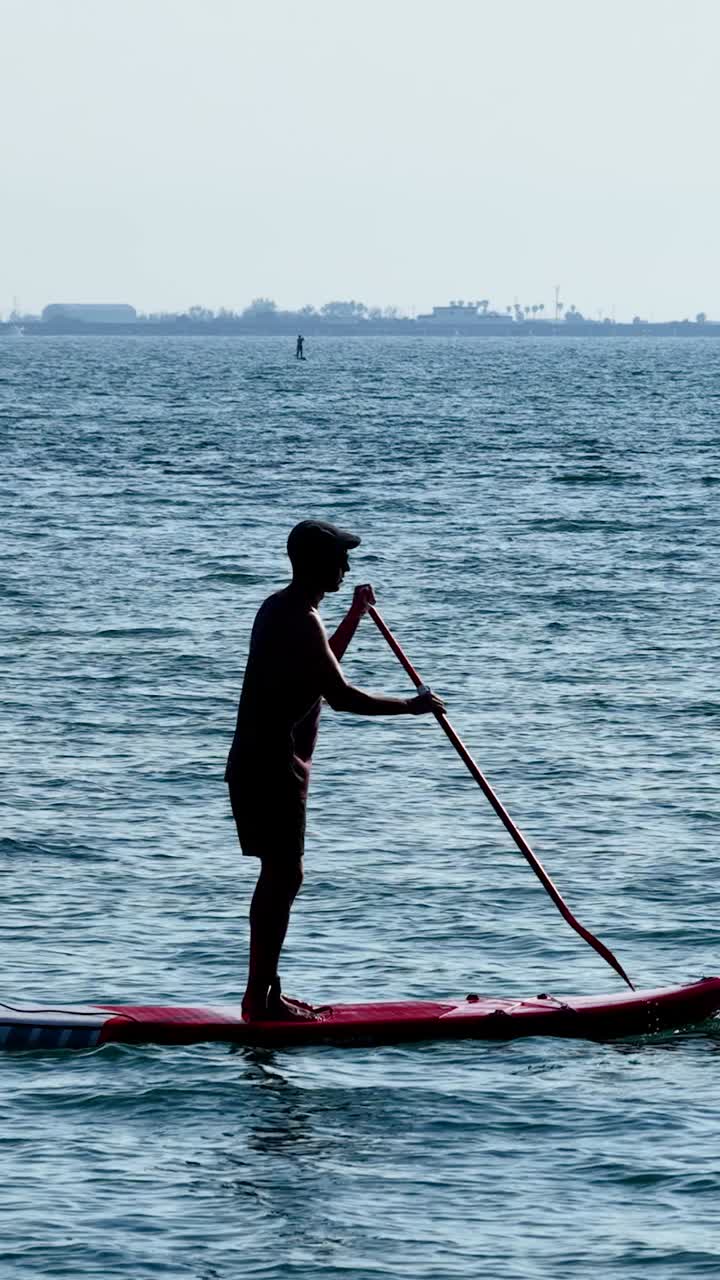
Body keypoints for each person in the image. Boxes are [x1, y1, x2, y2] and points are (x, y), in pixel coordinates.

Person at [225, 519, 444, 1022]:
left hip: (263, 762)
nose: (346, 567)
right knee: (283, 876)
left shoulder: (285, 610)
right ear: (315, 564)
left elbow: (323, 672)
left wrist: (354, 616)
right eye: (339, 559)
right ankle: (259, 1001)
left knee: (281, 876)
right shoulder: (298, 618)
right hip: (271, 765)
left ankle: (263, 994)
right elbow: (343, 696)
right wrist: (413, 707)